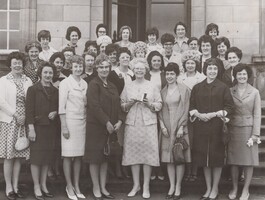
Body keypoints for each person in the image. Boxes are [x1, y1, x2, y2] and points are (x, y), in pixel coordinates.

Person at [189, 58, 234, 200]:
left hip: (217, 127)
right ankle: (208, 188)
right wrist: (199, 115)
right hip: (201, 127)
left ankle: (215, 189)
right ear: (205, 69)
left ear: (218, 70)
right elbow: (192, 106)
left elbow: (229, 107)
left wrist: (214, 114)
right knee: (204, 159)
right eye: (210, 68)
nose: (212, 71)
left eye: (215, 68)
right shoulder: (197, 87)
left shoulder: (223, 87)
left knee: (216, 159)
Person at [121, 58, 162, 199]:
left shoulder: (152, 86)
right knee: (134, 154)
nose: (139, 71)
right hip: (132, 123)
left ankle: (146, 186)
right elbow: (122, 105)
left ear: (146, 70)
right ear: (133, 70)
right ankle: (136, 184)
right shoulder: (128, 86)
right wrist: (130, 103)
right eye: (137, 69)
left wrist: (149, 104)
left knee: (147, 154)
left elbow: (159, 104)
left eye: (142, 69)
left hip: (148, 123)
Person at [84, 55, 124, 200]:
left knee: (105, 158)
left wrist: (119, 120)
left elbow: (118, 104)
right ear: (96, 68)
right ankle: (96, 188)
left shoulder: (112, 85)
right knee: (95, 159)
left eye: (106, 67)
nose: (104, 69)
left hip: (111, 128)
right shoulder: (94, 84)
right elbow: (94, 106)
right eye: (101, 67)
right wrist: (106, 122)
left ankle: (103, 187)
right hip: (97, 127)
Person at [0, 52, 32, 200]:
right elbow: (1, 102)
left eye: (20, 63)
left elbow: (30, 101)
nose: (18, 65)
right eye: (15, 63)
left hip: (24, 121)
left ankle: (16, 185)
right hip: (10, 121)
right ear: (10, 64)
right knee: (9, 156)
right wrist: (15, 115)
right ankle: (8, 187)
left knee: (19, 156)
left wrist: (25, 117)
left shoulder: (27, 80)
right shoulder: (4, 80)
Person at [227, 64, 261, 200]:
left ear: (248, 76)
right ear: (235, 76)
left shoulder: (254, 92)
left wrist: (255, 134)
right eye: (239, 74)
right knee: (234, 161)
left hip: (248, 130)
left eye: (244, 74)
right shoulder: (230, 91)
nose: (241, 76)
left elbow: (257, 114)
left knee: (248, 161)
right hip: (233, 128)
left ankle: (245, 190)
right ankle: (234, 188)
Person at [159, 62, 191, 199]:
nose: (170, 76)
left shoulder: (184, 90)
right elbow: (159, 109)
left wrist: (182, 126)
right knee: (168, 158)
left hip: (179, 126)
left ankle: (178, 186)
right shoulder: (163, 91)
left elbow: (187, 108)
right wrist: (162, 125)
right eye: (167, 74)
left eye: (172, 73)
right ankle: (171, 185)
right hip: (166, 126)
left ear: (177, 74)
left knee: (178, 157)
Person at [26, 62, 58, 200]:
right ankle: (36, 186)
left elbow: (58, 106)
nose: (48, 75)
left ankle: (44, 185)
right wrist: (31, 128)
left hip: (50, 128)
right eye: (45, 72)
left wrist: (56, 112)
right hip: (37, 128)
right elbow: (29, 111)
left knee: (46, 158)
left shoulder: (55, 90)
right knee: (36, 159)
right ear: (40, 73)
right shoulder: (33, 89)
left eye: (50, 73)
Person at [59, 55, 87, 200]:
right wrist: (64, 126)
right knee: (68, 156)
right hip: (69, 123)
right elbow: (61, 107)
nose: (78, 69)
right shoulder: (65, 83)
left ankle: (76, 185)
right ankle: (69, 186)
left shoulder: (85, 83)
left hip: (82, 124)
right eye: (75, 66)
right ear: (71, 67)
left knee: (78, 156)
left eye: (80, 66)